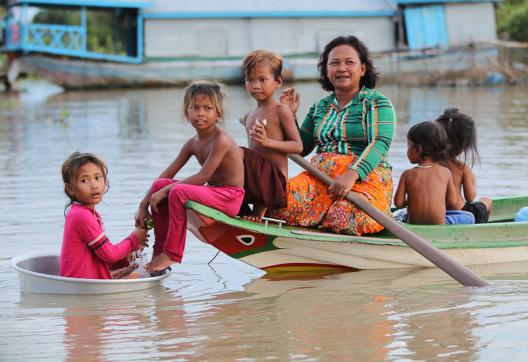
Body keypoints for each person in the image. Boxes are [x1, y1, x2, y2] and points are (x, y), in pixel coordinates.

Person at [269, 35, 396, 235]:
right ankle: (318, 221)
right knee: (277, 206)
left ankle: (327, 221)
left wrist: (351, 175)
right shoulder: (320, 106)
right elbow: (301, 148)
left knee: (346, 217)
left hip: (364, 179)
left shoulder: (376, 102)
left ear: (362, 69)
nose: (342, 68)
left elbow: (380, 143)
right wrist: (289, 115)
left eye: (349, 62)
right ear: (326, 70)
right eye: (334, 63)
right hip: (320, 180)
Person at [135, 80, 245, 272]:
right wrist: (143, 205)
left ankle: (172, 254)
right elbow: (167, 175)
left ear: (218, 113)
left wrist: (166, 191)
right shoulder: (193, 143)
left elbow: (203, 176)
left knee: (177, 191)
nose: (200, 113)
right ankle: (159, 251)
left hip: (230, 197)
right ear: (187, 112)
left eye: (207, 108)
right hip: (213, 192)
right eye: (195, 108)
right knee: (160, 184)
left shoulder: (222, 140)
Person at [60, 152, 148, 279]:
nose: (94, 185)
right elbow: (109, 254)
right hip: (81, 283)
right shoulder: (82, 216)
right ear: (70, 189)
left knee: (135, 271)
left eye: (97, 177)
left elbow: (101, 256)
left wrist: (124, 258)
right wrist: (134, 240)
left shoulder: (85, 213)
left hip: (84, 278)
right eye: (84, 180)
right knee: (141, 277)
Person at [239, 49, 303, 220]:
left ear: (277, 82)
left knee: (237, 152)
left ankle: (258, 212)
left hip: (275, 183)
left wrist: (268, 142)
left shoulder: (280, 110)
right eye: (250, 80)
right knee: (225, 153)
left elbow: (298, 146)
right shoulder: (248, 116)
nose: (256, 85)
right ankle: (238, 206)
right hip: (257, 180)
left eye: (262, 79)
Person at [394, 121, 475, 225]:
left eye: (409, 145)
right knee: (469, 216)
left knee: (398, 214)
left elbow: (398, 203)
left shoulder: (407, 174)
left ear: (419, 149)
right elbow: (452, 202)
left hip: (414, 225)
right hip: (439, 225)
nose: (407, 149)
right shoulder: (446, 173)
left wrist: (413, 201)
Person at [435, 108, 492, 223]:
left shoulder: (430, 165)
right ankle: (482, 231)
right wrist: (473, 181)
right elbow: (470, 197)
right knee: (487, 201)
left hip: (436, 211)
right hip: (460, 212)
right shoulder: (461, 168)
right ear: (463, 147)